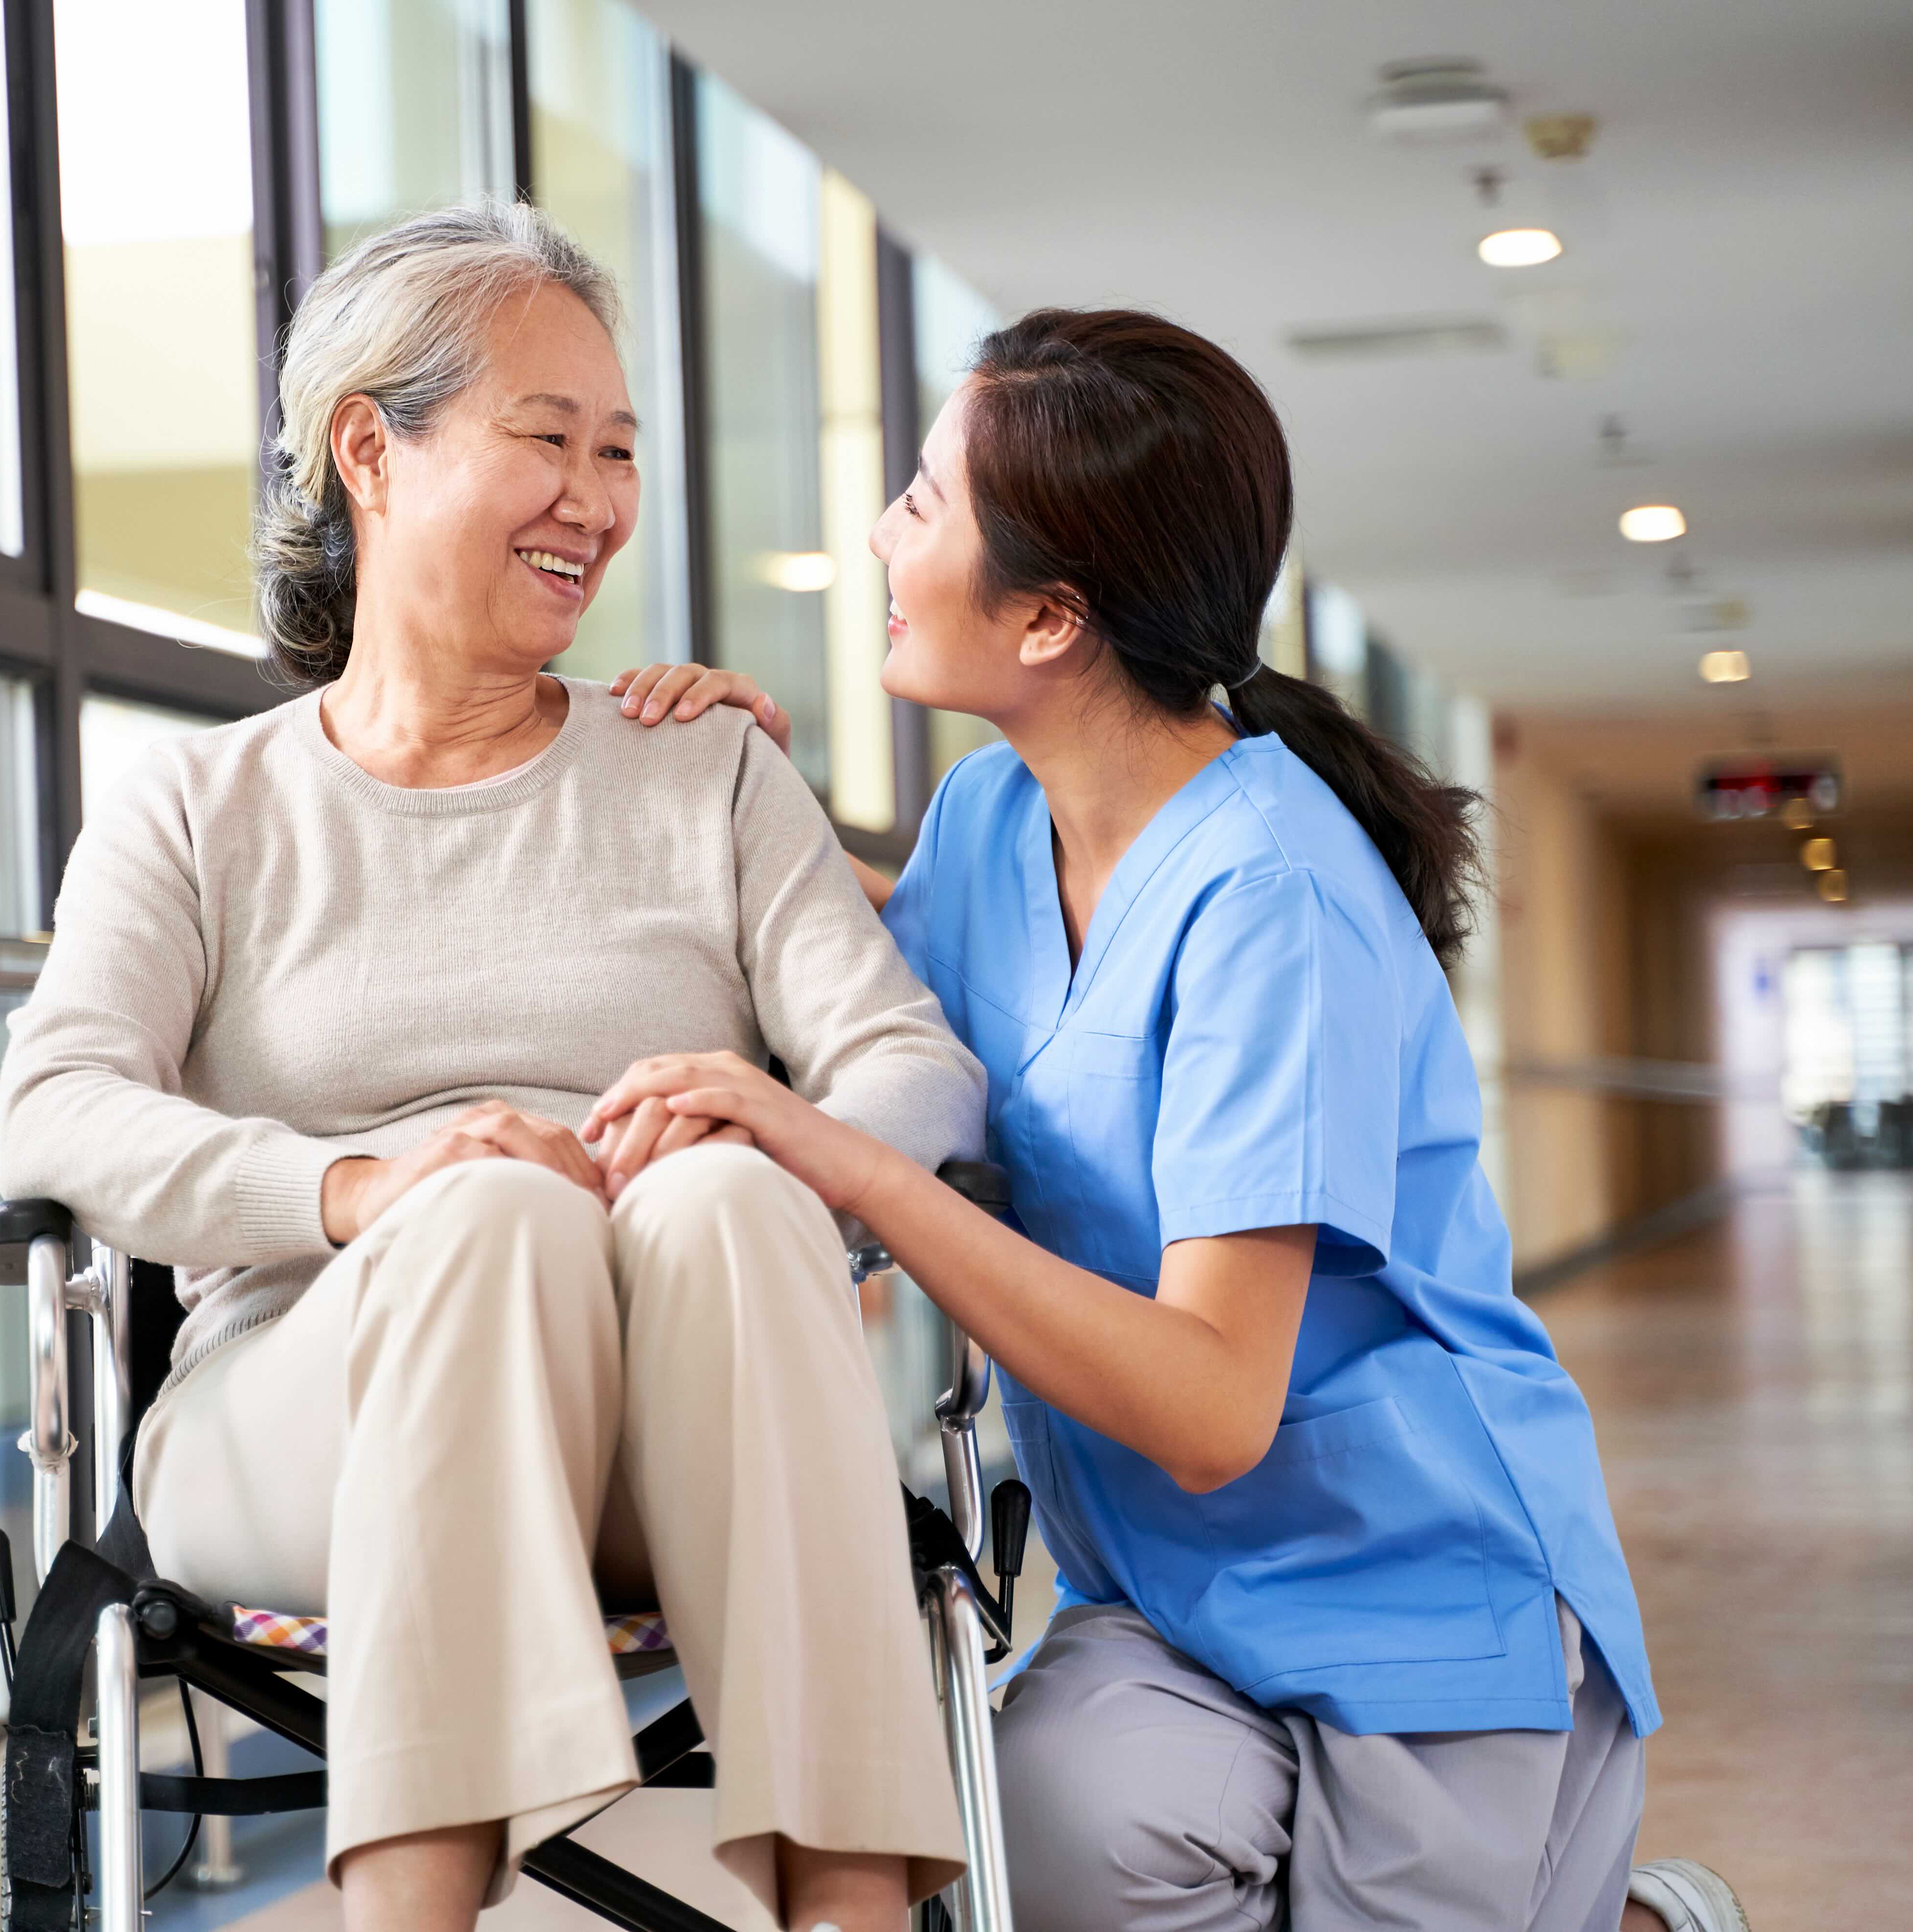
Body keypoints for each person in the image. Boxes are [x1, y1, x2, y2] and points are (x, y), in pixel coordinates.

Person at [592, 309, 1750, 1932]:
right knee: (1049, 1847)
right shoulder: (994, 811)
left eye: (920, 502)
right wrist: (736, 805)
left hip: (1416, 1598)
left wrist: (840, 1159)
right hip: (1169, 1597)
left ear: (1052, 616)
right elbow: (904, 990)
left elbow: (1212, 1403)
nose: (878, 534)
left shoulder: (1271, 894)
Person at [0, 203, 982, 1932]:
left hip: (678, 1436)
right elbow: (59, 1103)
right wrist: (367, 1186)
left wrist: (772, 1137)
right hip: (308, 1418)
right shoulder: (196, 804)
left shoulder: (705, 774)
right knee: (485, 1218)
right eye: (546, 439)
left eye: (616, 452)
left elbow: (914, 1070)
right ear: (370, 449)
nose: (595, 500)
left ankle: (850, 1915)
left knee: (734, 1187)